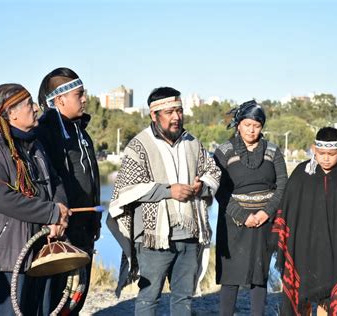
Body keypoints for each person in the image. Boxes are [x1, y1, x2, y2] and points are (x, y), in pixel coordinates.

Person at [106, 87, 221, 315]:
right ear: (154, 115)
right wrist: (169, 191)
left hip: (189, 234)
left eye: (179, 110)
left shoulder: (193, 142)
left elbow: (212, 171)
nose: (176, 117)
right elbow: (126, 190)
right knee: (149, 298)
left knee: (183, 298)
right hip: (153, 238)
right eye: (169, 112)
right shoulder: (139, 145)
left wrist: (202, 185)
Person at [0, 84, 70, 315]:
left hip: (41, 250)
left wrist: (59, 214)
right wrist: (52, 213)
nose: (36, 109)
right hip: (8, 257)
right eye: (29, 104)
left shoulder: (34, 144)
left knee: (43, 311)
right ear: (12, 113)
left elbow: (54, 181)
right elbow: (2, 199)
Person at [273, 127, 337, 315]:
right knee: (301, 298)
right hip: (302, 250)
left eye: (331, 154)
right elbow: (287, 211)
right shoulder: (301, 174)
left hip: (335, 252)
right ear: (313, 149)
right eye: (321, 153)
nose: (326, 158)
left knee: (329, 298)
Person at [213, 100, 288, 316]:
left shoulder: (273, 151)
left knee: (259, 274)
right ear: (238, 125)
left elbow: (283, 184)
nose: (251, 130)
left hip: (265, 221)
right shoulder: (224, 151)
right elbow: (219, 188)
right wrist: (242, 215)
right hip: (233, 222)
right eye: (247, 124)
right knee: (230, 276)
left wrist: (266, 212)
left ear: (262, 127)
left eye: (256, 125)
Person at [36, 67, 101, 314]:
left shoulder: (81, 132)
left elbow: (91, 179)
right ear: (60, 99)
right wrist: (55, 220)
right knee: (57, 299)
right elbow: (47, 182)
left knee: (77, 294)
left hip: (85, 226)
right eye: (79, 94)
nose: (84, 99)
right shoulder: (43, 133)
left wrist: (96, 219)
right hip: (61, 230)